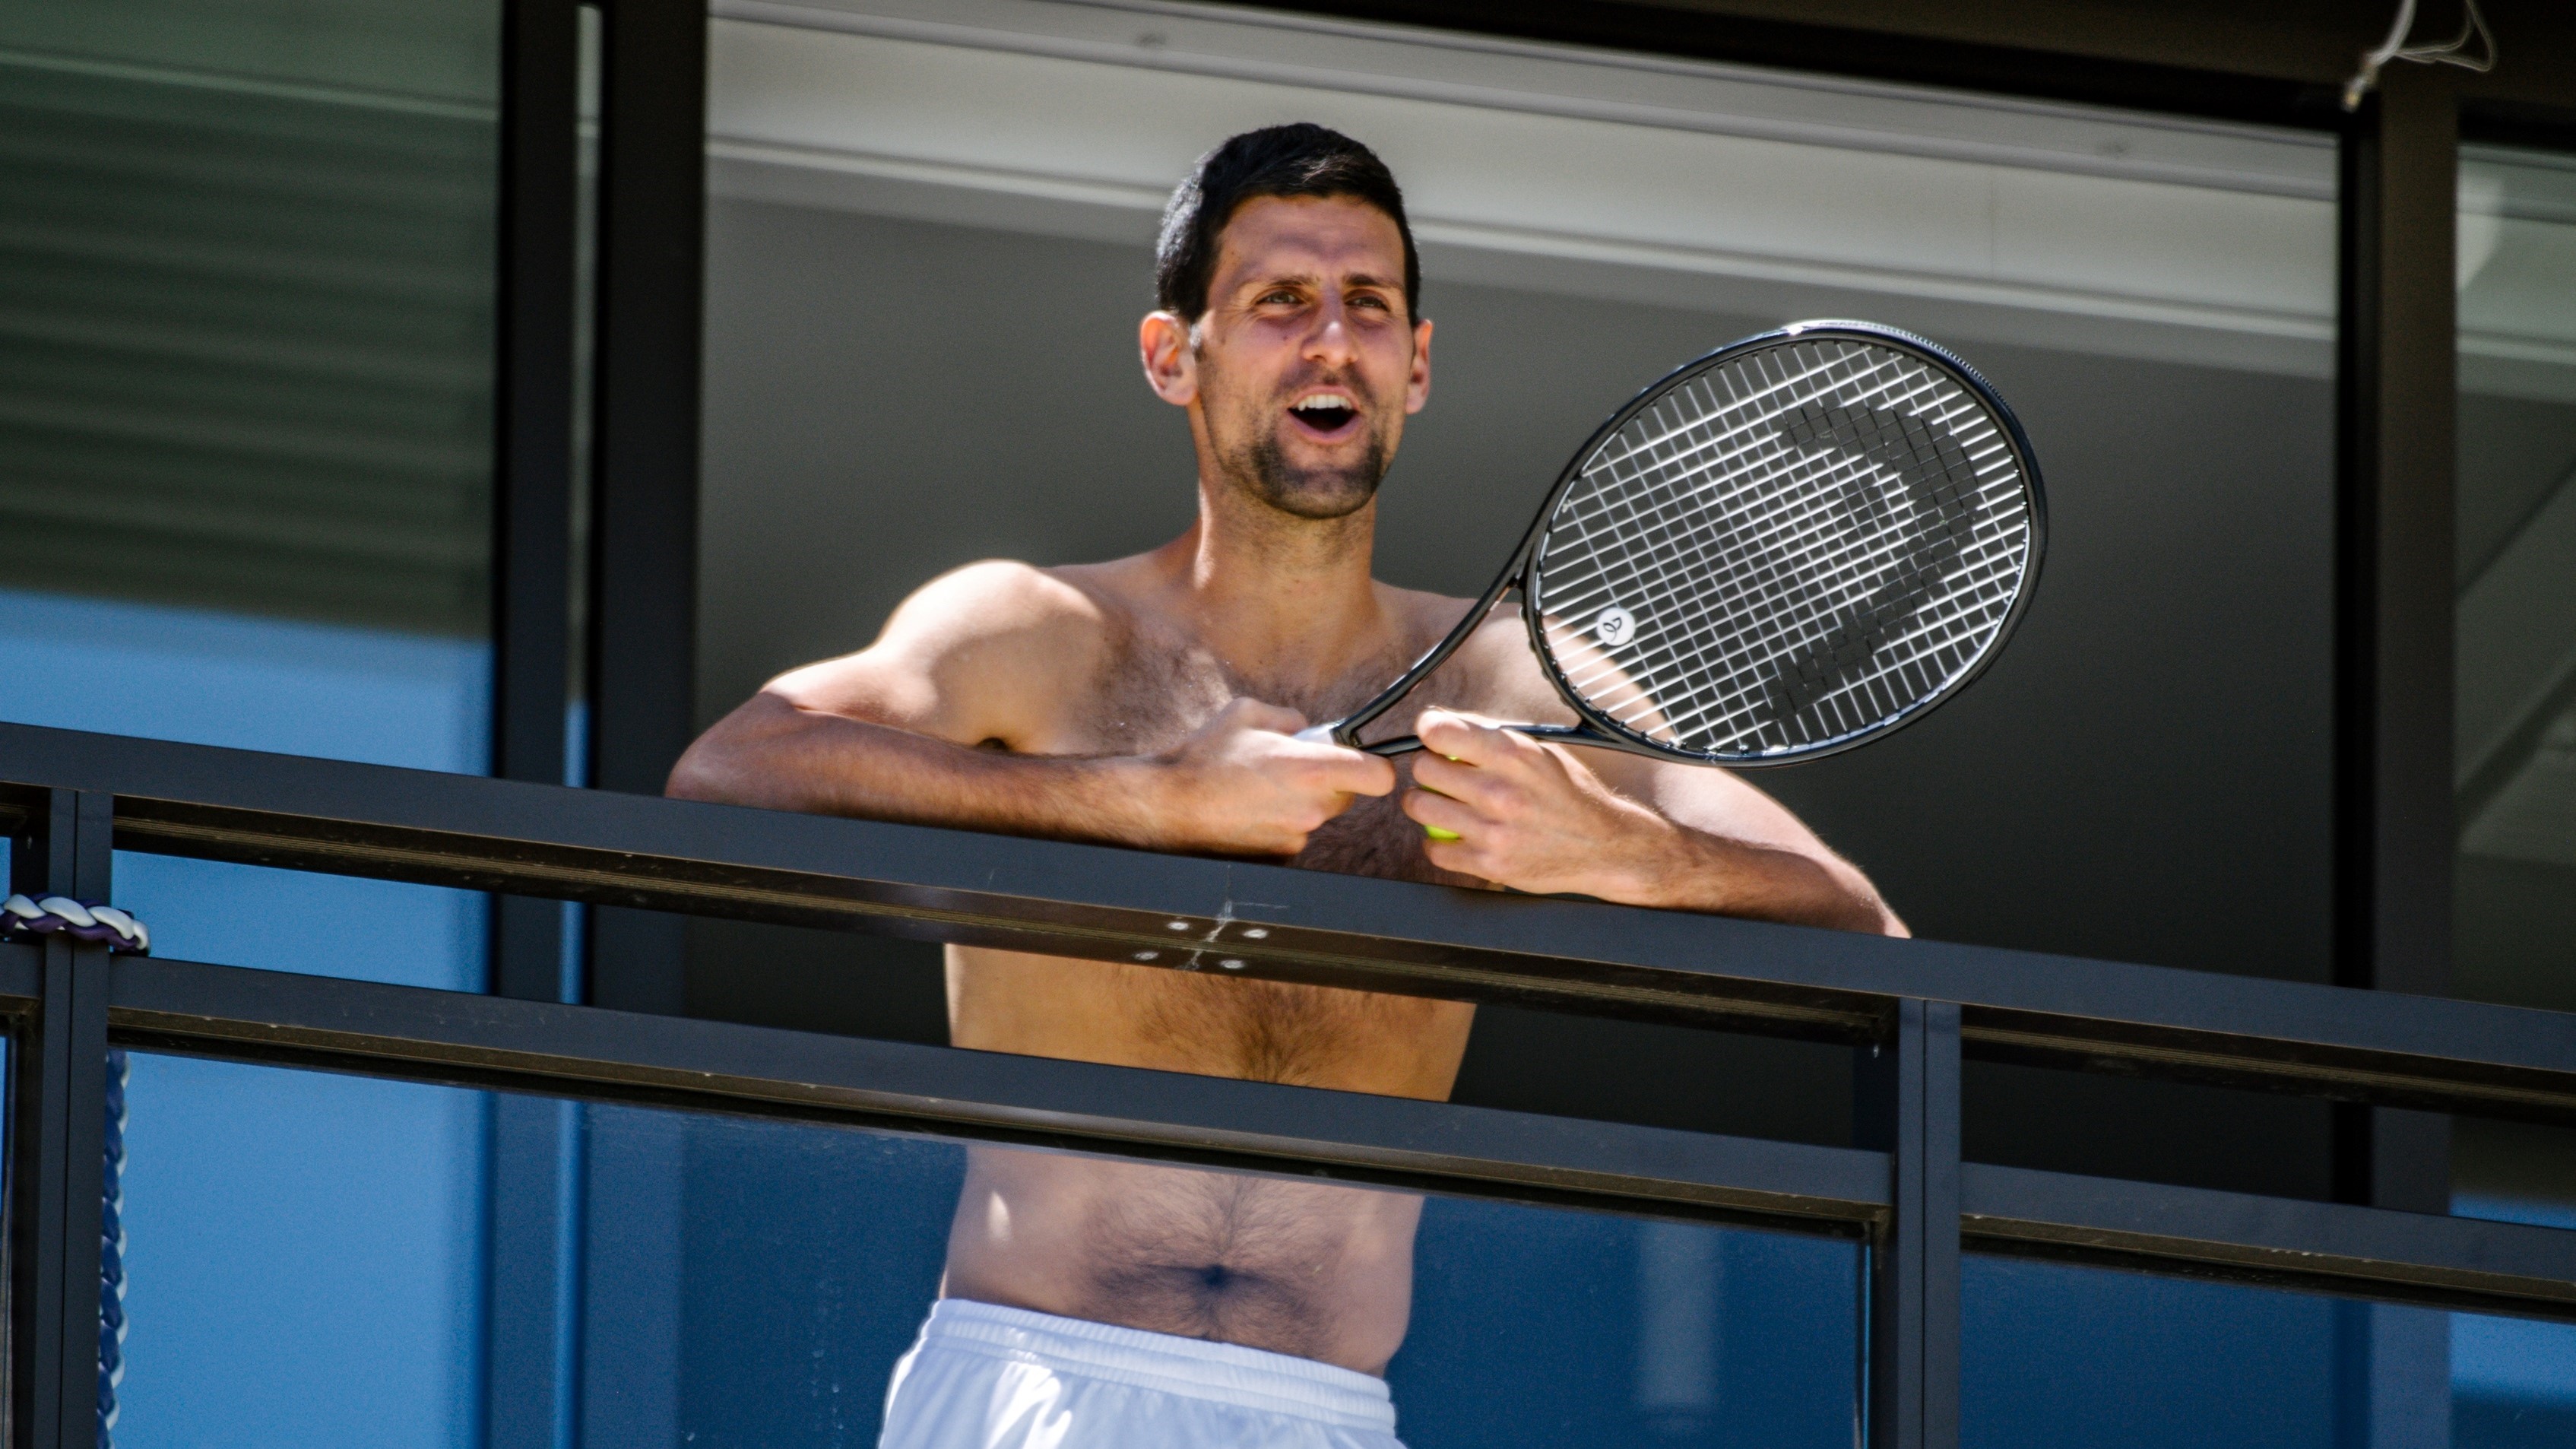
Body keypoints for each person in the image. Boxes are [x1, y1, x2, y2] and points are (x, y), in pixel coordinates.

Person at [670, 122, 1906, 1449]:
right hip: (1037, 1381)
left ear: (1416, 364)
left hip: (1326, 1411)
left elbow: (1866, 937)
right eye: (1278, 302)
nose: (1331, 339)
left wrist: (1628, 856)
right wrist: (1149, 801)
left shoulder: (1512, 680)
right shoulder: (1032, 628)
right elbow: (734, 773)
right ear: (1172, 356)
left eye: (1367, 305)